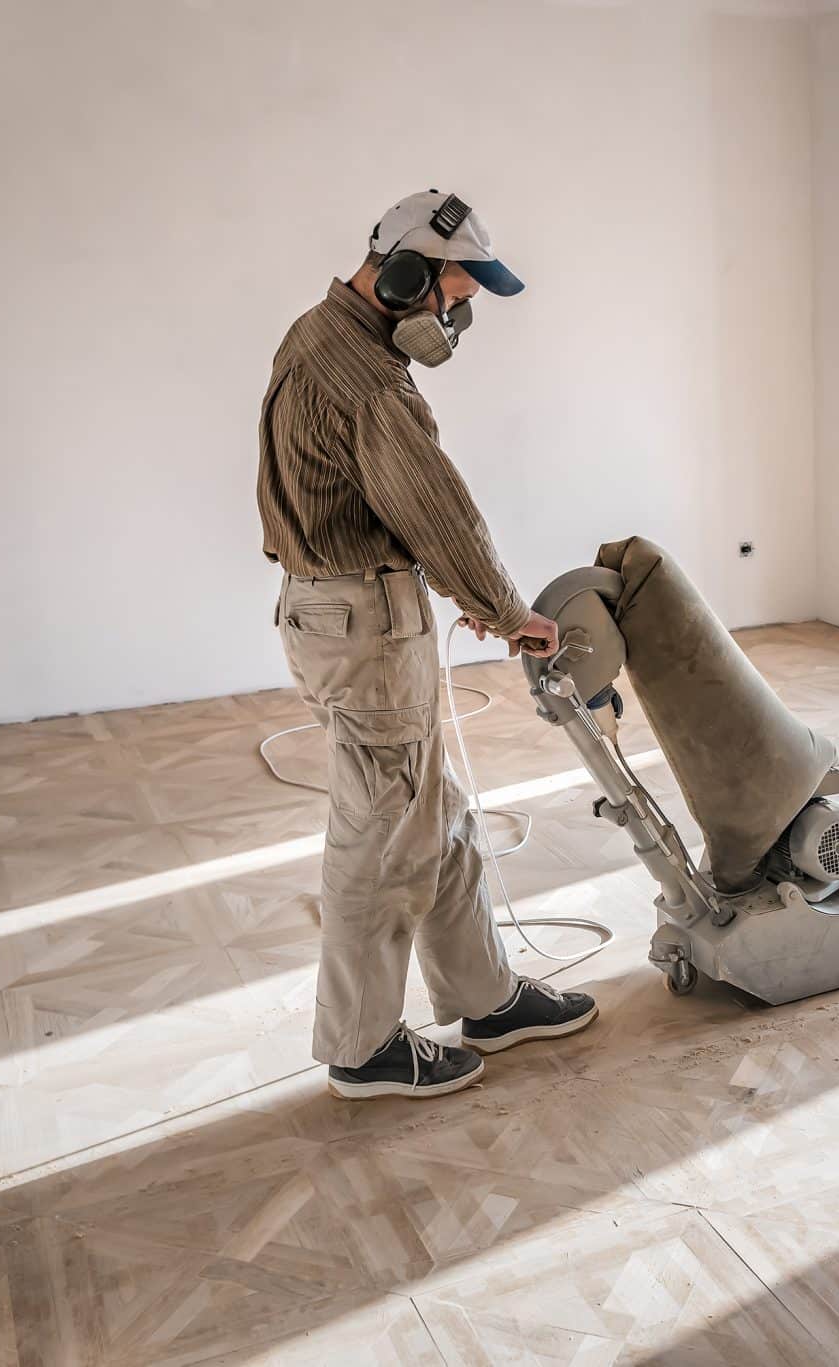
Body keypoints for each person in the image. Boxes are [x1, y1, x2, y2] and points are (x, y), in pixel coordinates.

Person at [256, 190, 597, 1100]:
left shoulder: (316, 334)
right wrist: (506, 606)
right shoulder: (369, 383)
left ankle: (485, 994)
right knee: (381, 836)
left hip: (341, 612)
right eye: (458, 287)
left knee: (434, 811)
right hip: (364, 623)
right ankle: (363, 1047)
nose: (461, 311)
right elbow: (439, 510)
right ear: (405, 273)